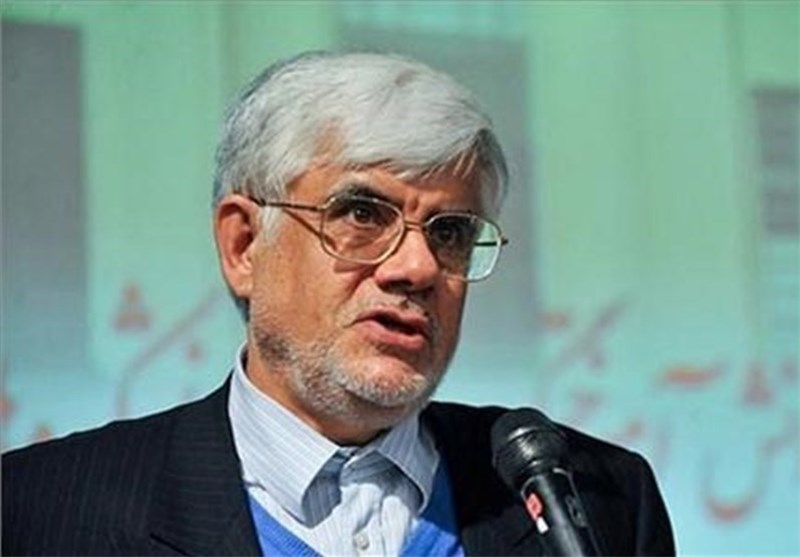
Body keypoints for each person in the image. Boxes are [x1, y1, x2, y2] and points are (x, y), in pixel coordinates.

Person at [2, 51, 675, 556]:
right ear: (243, 246)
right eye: (361, 214)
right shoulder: (42, 511)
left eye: (450, 233)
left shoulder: (596, 498)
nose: (417, 267)